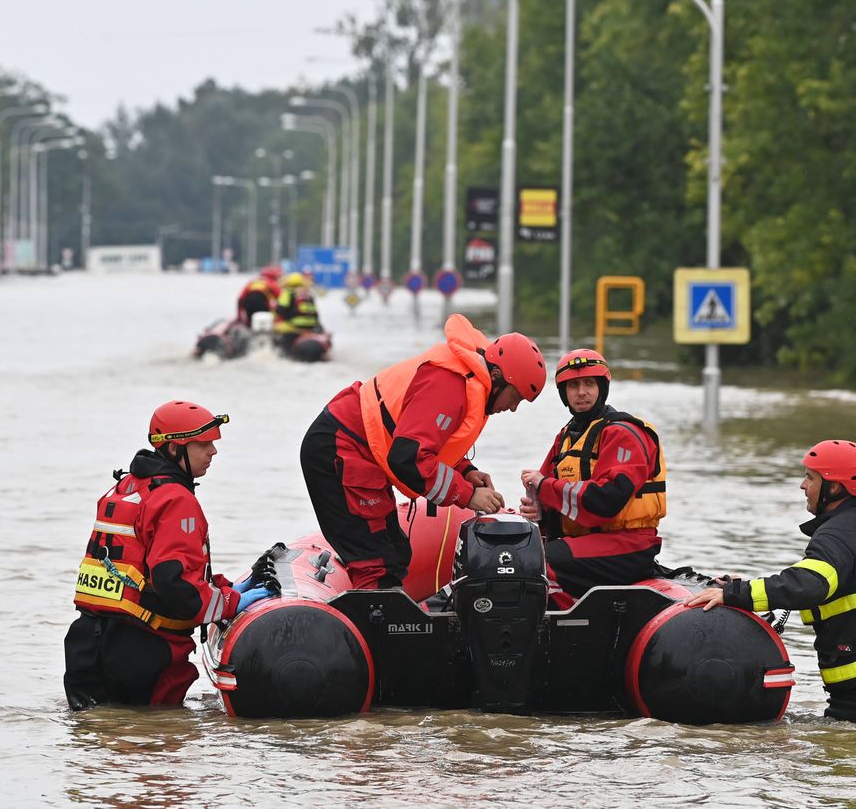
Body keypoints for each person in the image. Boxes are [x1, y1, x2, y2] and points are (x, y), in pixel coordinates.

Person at [686, 440, 856, 725]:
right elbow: (825, 578)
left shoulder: (837, 535)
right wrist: (745, 585)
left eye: (810, 477)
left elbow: (809, 584)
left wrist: (736, 594)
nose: (802, 485)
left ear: (834, 487)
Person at [300, 313, 547, 590]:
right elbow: (407, 458)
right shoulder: (449, 384)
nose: (512, 408)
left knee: (395, 555)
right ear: (497, 377)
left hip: (360, 451)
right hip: (340, 448)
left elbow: (428, 442)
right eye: (515, 398)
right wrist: (468, 495)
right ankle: (370, 629)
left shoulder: (467, 381)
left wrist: (466, 472)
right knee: (377, 565)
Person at [63, 401, 276, 711]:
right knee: (154, 748)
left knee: (98, 742)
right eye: (203, 444)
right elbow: (175, 587)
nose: (213, 452)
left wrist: (225, 587)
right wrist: (232, 603)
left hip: (87, 643)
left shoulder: (125, 487)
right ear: (175, 450)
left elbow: (139, 569)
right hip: (143, 651)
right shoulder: (176, 500)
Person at [518, 349, 667, 610]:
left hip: (629, 545)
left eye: (589, 383)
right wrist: (540, 510)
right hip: (585, 543)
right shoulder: (566, 436)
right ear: (564, 393)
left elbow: (606, 500)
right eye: (573, 385)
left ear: (602, 388)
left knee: (538, 561)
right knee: (513, 553)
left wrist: (543, 486)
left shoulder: (624, 433)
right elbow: (552, 493)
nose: (582, 392)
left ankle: (573, 625)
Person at [273, 272, 322, 352]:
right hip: (311, 327)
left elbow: (280, 309)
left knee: (275, 329)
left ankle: (280, 350)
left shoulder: (288, 292)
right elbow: (315, 313)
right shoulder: (308, 294)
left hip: (295, 326)